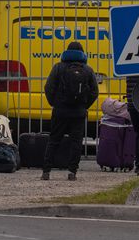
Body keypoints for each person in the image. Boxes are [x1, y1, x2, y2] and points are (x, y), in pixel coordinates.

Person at [41, 40, 99, 181]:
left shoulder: (58, 68)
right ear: (82, 53)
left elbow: (48, 87)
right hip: (78, 112)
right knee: (76, 142)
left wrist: (54, 103)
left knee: (54, 140)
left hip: (60, 111)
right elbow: (94, 92)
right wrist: (84, 105)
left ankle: (46, 171)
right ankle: (72, 171)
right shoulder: (87, 70)